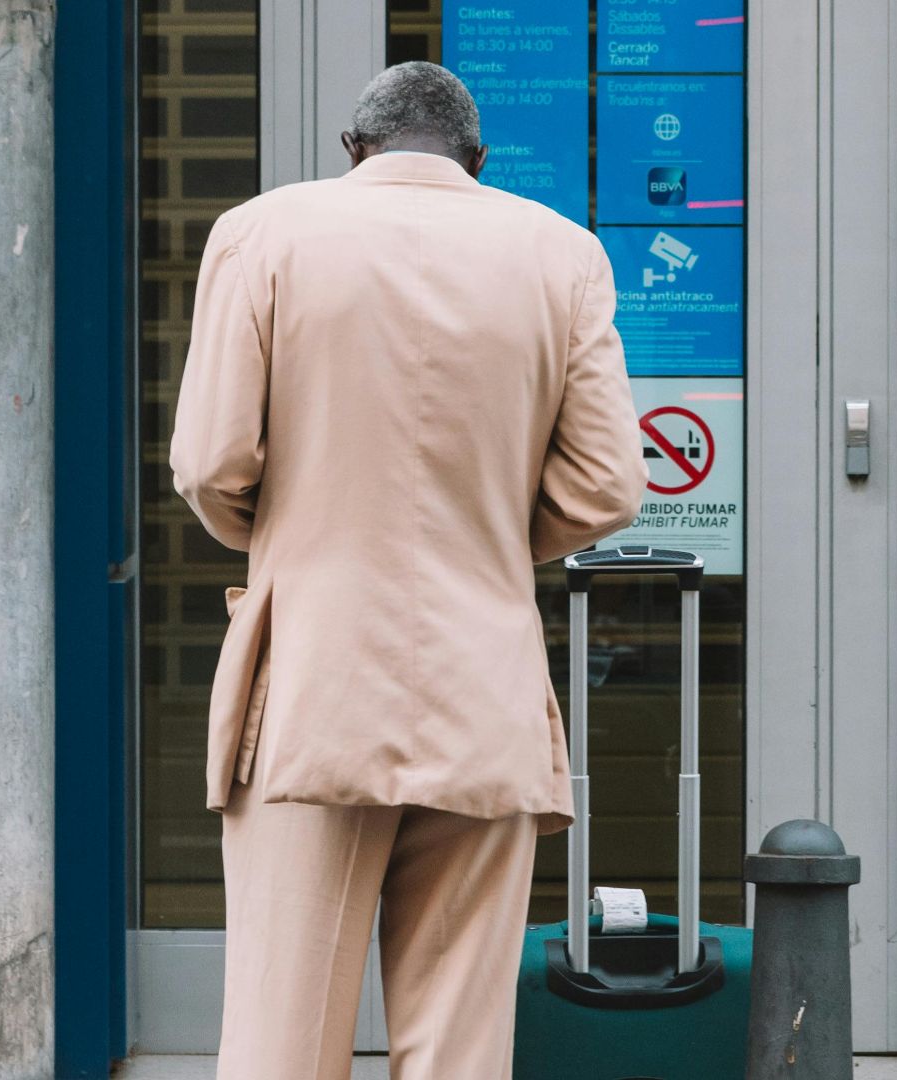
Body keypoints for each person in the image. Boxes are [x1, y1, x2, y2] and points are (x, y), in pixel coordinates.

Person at [170, 60, 647, 1080]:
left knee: (282, 1039)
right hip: (487, 680)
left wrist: (297, 532)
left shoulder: (264, 234)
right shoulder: (562, 253)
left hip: (312, 681)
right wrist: (482, 539)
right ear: (477, 160)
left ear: (355, 150)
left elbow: (211, 464)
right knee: (462, 1044)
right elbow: (610, 485)